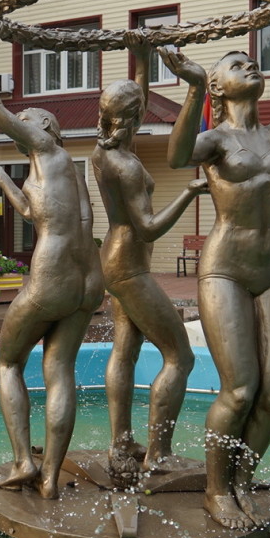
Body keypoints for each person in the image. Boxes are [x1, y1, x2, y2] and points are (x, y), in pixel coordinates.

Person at [167, 0, 270, 529]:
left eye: (252, 60)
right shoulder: (215, 141)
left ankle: (242, 478)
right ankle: (217, 491)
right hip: (226, 270)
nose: (251, 65)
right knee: (239, 390)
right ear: (218, 86)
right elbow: (175, 156)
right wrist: (193, 87)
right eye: (237, 64)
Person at [0, 29, 104, 500]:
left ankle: (23, 462)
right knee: (59, 370)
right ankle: (49, 478)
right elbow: (34, 213)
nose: (19, 126)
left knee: (8, 360)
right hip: (87, 278)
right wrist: (2, 178)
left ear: (45, 127)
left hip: (52, 273)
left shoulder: (47, 148)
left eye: (26, 120)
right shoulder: (63, 168)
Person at [92, 33, 208, 482]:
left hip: (113, 257)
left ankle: (121, 443)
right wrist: (189, 193)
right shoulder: (127, 166)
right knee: (180, 356)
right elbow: (148, 227)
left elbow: (130, 108)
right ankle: (159, 453)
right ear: (135, 118)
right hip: (130, 265)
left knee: (124, 350)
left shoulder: (106, 151)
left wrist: (140, 58)